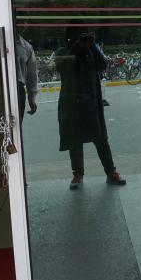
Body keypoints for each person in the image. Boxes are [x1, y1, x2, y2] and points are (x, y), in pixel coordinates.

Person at [56, 27, 127, 190]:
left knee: (101, 139)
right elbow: (61, 67)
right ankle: (77, 174)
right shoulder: (63, 51)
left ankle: (111, 172)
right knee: (74, 140)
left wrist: (92, 45)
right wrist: (75, 47)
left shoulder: (91, 51)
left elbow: (103, 64)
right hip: (72, 103)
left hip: (92, 104)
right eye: (77, 36)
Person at [14, 30, 39, 121]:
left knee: (17, 123)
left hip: (19, 89)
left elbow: (31, 74)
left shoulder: (27, 47)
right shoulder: (0, 43)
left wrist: (31, 98)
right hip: (0, 90)